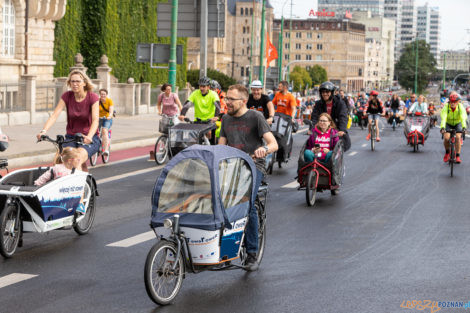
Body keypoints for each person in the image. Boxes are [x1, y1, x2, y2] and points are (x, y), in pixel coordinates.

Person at [218, 84, 278, 271]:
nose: (227, 102)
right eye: (226, 98)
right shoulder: (226, 119)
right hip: (232, 167)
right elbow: (220, 147)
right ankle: (227, 249)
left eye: (231, 99)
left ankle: (252, 252)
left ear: (243, 101)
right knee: (222, 202)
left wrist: (263, 149)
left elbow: (273, 144)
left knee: (246, 204)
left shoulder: (256, 117)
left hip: (253, 165)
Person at [36, 70, 100, 172]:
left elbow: (96, 120)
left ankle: (78, 186)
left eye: (78, 81)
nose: (75, 84)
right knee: (59, 159)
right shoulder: (67, 96)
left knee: (77, 158)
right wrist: (44, 131)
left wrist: (89, 136)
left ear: (84, 83)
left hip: (89, 138)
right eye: (72, 81)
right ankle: (81, 183)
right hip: (71, 138)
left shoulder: (93, 97)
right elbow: (54, 115)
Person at [310, 81, 351, 151]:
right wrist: (312, 128)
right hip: (322, 130)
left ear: (332, 92)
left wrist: (341, 130)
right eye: (323, 92)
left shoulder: (340, 103)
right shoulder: (318, 104)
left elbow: (343, 117)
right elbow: (314, 117)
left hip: (336, 130)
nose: (325, 94)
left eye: (327, 92)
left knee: (336, 148)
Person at [440, 92, 467, 163]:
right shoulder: (446, 107)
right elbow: (444, 118)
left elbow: (463, 117)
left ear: (458, 102)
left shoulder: (460, 106)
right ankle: (447, 152)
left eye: (454, 102)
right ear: (449, 101)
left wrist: (464, 127)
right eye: (451, 102)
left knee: (458, 137)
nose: (453, 103)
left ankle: (457, 156)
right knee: (446, 138)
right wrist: (442, 127)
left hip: (458, 123)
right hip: (448, 123)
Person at [98, 89, 114, 156]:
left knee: (104, 131)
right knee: (95, 132)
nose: (103, 95)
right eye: (101, 94)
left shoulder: (109, 101)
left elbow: (111, 111)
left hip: (107, 118)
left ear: (106, 95)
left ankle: (106, 150)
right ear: (100, 95)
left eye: (104, 94)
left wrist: (110, 116)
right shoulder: (97, 101)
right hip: (99, 118)